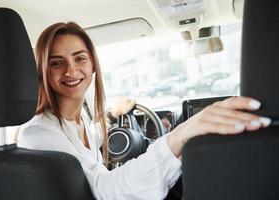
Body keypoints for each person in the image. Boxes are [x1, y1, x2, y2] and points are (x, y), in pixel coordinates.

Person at [18, 22, 271, 199]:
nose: (71, 71)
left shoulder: (80, 118)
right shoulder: (39, 133)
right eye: (56, 63)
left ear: (93, 64)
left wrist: (112, 115)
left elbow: (88, 140)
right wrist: (179, 134)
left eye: (80, 58)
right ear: (43, 70)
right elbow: (105, 189)